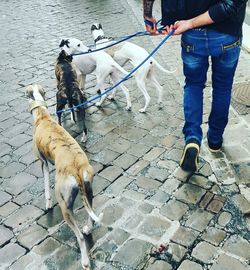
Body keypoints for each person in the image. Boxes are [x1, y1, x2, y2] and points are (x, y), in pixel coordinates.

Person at [143, 0, 247, 172]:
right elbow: (230, 4)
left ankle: (192, 138)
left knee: (193, 85)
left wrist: (148, 16)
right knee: (222, 88)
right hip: (227, 33)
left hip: (192, 34)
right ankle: (214, 140)